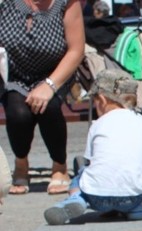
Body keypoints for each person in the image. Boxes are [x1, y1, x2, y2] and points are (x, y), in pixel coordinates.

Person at [43, 69, 142, 225]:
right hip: (134, 197)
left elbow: (91, 163)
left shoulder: (97, 125)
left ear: (102, 99)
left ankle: (76, 199)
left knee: (82, 173)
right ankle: (135, 210)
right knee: (140, 171)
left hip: (96, 198)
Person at [0, 0, 85, 195]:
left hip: (55, 72)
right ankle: (21, 164)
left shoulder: (68, 3)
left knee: (50, 108)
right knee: (18, 112)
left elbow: (76, 50)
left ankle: (60, 167)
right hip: (14, 73)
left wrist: (49, 85)